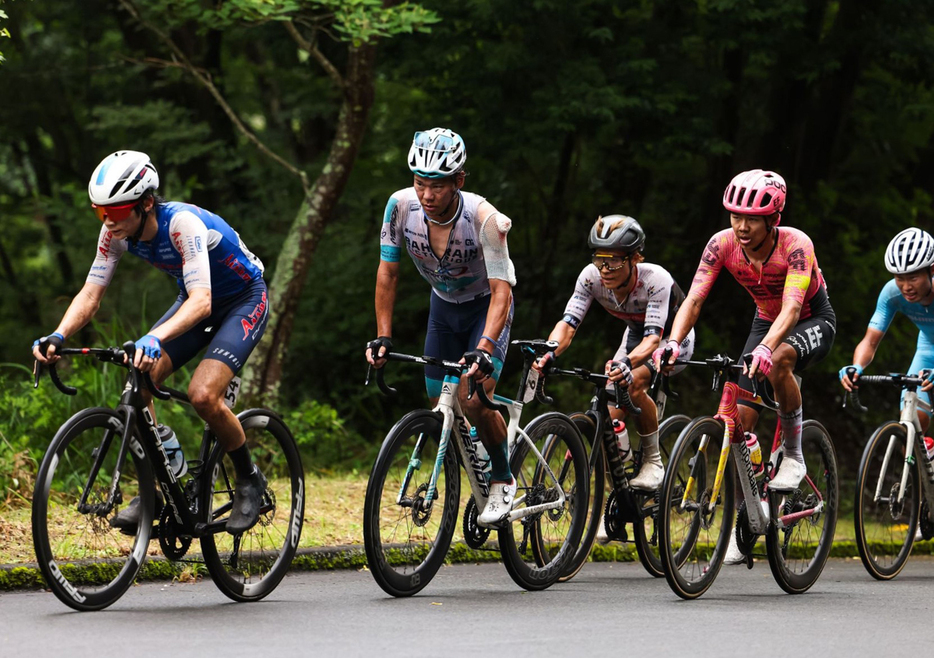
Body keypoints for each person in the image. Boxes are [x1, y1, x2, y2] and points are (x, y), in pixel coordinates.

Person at [32, 150, 269, 535]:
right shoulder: (115, 233)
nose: (108, 221)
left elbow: (203, 301)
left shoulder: (182, 225)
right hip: (195, 300)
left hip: (243, 300)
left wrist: (153, 336)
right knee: (137, 381)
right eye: (100, 212)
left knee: (203, 395)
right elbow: (91, 295)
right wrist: (59, 334)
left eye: (118, 210)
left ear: (145, 203)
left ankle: (249, 478)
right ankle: (159, 482)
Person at [654, 169, 835, 563]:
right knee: (738, 423)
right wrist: (673, 341)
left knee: (779, 362)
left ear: (773, 220)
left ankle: (793, 454)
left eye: (751, 219)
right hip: (765, 320)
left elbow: (791, 308)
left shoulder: (796, 245)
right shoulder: (720, 244)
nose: (741, 226)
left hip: (810, 318)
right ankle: (747, 515)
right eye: (735, 216)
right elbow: (695, 299)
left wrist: (769, 348)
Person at [365, 128, 517, 527]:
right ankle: (469, 462)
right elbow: (388, 272)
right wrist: (383, 334)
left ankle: (502, 475)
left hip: (487, 307)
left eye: (436, 186)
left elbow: (502, 291)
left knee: (472, 397)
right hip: (443, 306)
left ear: (459, 181)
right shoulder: (399, 207)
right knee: (438, 401)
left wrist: (485, 347)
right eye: (419, 183)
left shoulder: (483, 218)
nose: (426, 195)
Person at [535, 215, 695, 493]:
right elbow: (568, 326)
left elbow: (653, 340)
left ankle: (654, 462)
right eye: (599, 258)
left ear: (635, 259)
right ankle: (619, 497)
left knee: (632, 384)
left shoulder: (655, 279)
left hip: (671, 339)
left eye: (614, 260)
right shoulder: (589, 277)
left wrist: (626, 363)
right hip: (635, 334)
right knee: (607, 416)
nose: (604, 269)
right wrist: (550, 352)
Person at [840, 228, 934, 455]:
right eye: (899, 278)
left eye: (913, 277)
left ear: (932, 271)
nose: (906, 286)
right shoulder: (892, 293)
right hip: (928, 349)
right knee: (910, 426)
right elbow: (870, 341)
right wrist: (857, 367)